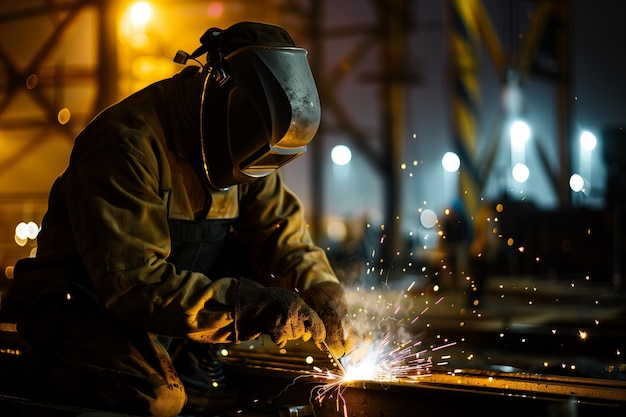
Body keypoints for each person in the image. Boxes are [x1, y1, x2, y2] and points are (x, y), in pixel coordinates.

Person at [3, 21, 351, 417]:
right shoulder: (126, 144)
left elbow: (282, 234)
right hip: (84, 306)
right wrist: (246, 307)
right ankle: (34, 373)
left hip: (163, 311)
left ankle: (191, 365)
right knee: (157, 398)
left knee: (211, 388)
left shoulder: (246, 150)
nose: (252, 175)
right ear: (222, 95)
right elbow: (133, 284)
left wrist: (321, 287)